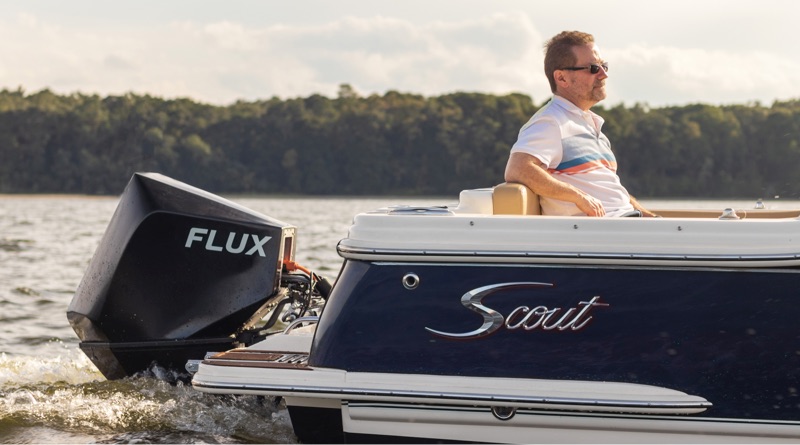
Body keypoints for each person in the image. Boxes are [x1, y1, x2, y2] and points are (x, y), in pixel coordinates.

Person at [504, 31, 656, 217]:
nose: (603, 75)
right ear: (561, 78)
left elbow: (610, 190)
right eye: (593, 68)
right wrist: (578, 197)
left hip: (624, 226)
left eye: (604, 66)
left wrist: (651, 218)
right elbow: (518, 169)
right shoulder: (551, 122)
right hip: (602, 234)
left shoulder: (592, 126)